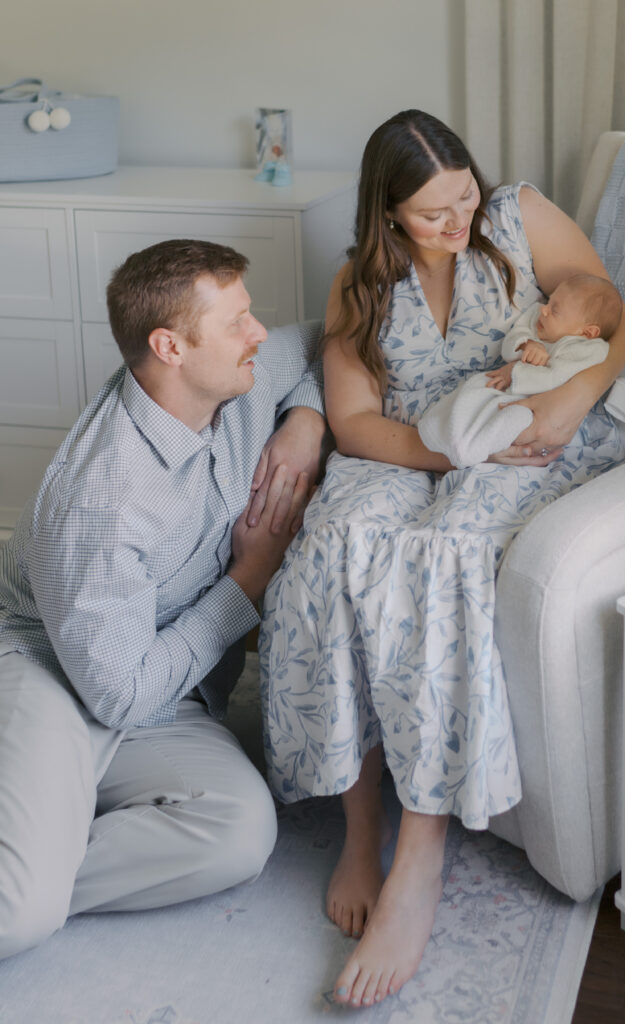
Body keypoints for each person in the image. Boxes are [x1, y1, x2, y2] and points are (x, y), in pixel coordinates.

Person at [258, 109, 625, 1009]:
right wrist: (439, 452)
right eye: (430, 212)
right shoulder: (360, 281)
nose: (454, 220)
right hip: (408, 445)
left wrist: (571, 404)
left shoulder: (516, 217)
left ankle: (418, 855)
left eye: (460, 195)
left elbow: (610, 322)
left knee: (444, 558)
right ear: (387, 213)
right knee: (333, 546)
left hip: (524, 438)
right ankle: (359, 827)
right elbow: (353, 422)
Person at [0, 238, 326, 960]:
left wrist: (304, 424)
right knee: (17, 914)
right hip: (50, 674)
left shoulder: (235, 385)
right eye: (237, 321)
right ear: (170, 346)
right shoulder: (101, 501)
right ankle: (31, 872)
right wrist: (249, 581)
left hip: (161, 692)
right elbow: (120, 696)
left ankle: (40, 851)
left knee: (239, 832)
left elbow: (323, 341)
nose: (259, 333)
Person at [417, 273, 623, 466]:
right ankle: (441, 429)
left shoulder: (590, 349)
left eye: (555, 310)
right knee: (474, 392)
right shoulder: (539, 318)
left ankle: (473, 448)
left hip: (542, 407)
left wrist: (516, 371)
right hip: (507, 391)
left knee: (515, 417)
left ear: (587, 332)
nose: (544, 309)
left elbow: (556, 377)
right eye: (549, 301)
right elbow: (513, 340)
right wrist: (527, 344)